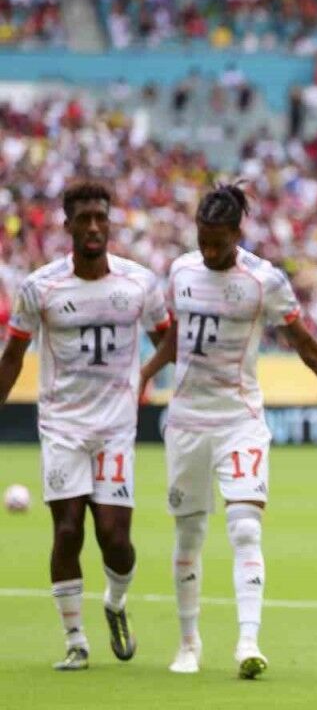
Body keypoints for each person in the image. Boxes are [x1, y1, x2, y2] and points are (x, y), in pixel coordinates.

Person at [140, 184, 317, 679]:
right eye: (203, 241)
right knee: (189, 533)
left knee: (246, 527)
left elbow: (307, 347)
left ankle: (248, 641)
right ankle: (188, 643)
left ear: (238, 233)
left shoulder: (264, 281)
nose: (209, 252)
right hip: (187, 419)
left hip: (240, 420)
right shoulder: (182, 271)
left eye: (218, 243)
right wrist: (143, 376)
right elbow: (177, 338)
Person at [0, 181, 168, 671]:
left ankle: (115, 603)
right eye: (84, 218)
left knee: (115, 538)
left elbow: (169, 337)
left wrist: (147, 375)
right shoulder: (40, 287)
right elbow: (13, 358)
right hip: (62, 427)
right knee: (68, 529)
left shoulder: (138, 283)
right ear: (67, 224)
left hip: (115, 428)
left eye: (100, 217)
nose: (93, 226)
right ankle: (75, 640)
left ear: (109, 222)